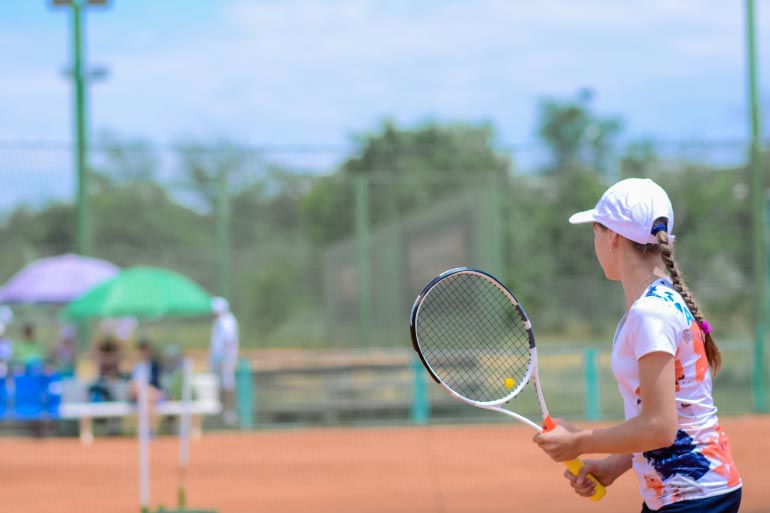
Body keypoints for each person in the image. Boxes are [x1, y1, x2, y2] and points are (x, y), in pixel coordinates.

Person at [532, 178, 742, 512]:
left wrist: (579, 442)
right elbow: (666, 418)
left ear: (612, 237)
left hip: (691, 497)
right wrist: (612, 465)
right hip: (689, 492)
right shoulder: (660, 302)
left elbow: (659, 427)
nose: (595, 242)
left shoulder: (650, 313)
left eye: (596, 231)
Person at [209, 296, 239, 426]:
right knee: (218, 385)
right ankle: (220, 412)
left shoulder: (227, 321)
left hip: (225, 360)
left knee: (227, 385)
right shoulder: (219, 322)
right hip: (219, 360)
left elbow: (228, 341)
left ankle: (228, 412)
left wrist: (225, 360)